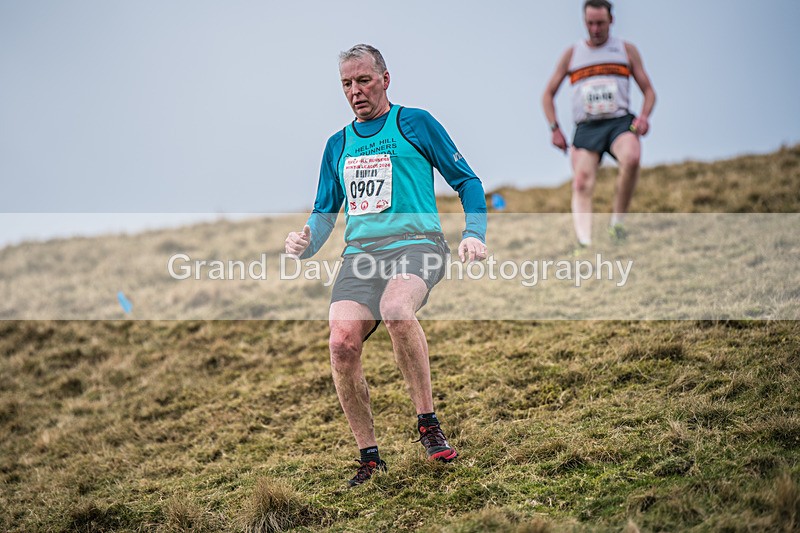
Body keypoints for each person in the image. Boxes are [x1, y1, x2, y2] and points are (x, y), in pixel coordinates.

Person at [284, 44, 488, 487]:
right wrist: (303, 243)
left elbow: (468, 181)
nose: (355, 91)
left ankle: (428, 426)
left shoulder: (415, 123)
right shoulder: (337, 145)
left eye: (363, 80)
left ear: (385, 79)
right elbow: (323, 214)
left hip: (419, 245)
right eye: (346, 84)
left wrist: (474, 232)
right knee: (341, 344)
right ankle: (370, 458)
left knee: (397, 309)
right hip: (361, 257)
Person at [542, 0, 656, 249]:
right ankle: (585, 244)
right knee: (581, 182)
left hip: (619, 122)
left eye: (600, 23)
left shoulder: (626, 50)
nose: (595, 29)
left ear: (611, 21)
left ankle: (617, 223)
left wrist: (644, 117)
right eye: (590, 23)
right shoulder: (572, 54)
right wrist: (555, 129)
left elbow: (649, 91)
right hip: (587, 127)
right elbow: (547, 94)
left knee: (633, 157)